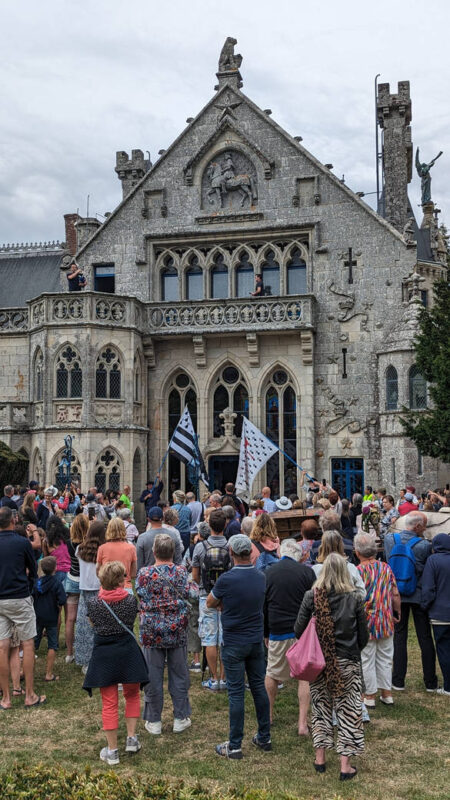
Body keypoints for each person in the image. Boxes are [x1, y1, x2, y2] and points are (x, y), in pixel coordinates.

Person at [295, 553, 369, 780]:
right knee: (348, 711)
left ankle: (320, 759)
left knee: (320, 707)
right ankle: (345, 766)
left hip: (319, 661)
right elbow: (363, 635)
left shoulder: (312, 596)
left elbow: (298, 629)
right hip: (347, 660)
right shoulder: (355, 598)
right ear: (345, 572)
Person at [207, 534, 271, 759]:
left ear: (232, 553)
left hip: (234, 641)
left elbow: (210, 601)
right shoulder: (260, 576)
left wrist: (225, 603)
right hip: (254, 639)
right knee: (258, 687)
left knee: (236, 692)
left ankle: (234, 745)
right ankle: (264, 736)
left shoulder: (226, 579)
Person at [83, 561, 148, 765]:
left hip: (104, 653)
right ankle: (131, 737)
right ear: (120, 580)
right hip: (127, 650)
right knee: (132, 695)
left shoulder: (93, 603)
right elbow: (133, 620)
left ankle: (112, 750)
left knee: (109, 702)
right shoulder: (130, 601)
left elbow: (93, 624)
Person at [136, 534, 197, 735]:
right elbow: (192, 594)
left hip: (152, 631)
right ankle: (180, 717)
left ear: (154, 552)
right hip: (177, 629)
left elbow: (140, 593)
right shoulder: (181, 572)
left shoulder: (144, 573)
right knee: (179, 674)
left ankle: (154, 721)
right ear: (173, 552)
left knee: (152, 675)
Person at [264, 538, 315, 733]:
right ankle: (302, 723)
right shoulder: (307, 573)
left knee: (272, 672)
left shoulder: (269, 573)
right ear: (300, 556)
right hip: (302, 631)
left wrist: (265, 632)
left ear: (280, 553)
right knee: (304, 676)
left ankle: (268, 716)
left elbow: (264, 606)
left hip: (277, 629)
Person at [384, 511, 437, 692]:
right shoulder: (424, 545)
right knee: (425, 637)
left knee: (399, 637)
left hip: (396, 592)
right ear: (417, 527)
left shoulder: (390, 540)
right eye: (424, 526)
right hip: (417, 593)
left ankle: (398, 680)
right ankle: (430, 681)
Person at [0, 507, 45, 708]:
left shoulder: (19, 542)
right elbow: (33, 567)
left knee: (2, 647)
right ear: (13, 521)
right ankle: (29, 695)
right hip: (19, 596)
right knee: (27, 644)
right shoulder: (21, 542)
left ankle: (6, 698)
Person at [354, 532, 401, 707]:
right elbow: (395, 592)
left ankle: (370, 696)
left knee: (366, 658)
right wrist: (397, 612)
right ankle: (386, 693)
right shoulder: (386, 568)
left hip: (365, 620)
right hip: (385, 618)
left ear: (357, 552)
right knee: (386, 656)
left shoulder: (357, 571)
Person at [192, 509, 231, 691]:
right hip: (226, 598)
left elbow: (195, 575)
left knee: (209, 638)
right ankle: (224, 678)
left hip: (206, 596)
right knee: (225, 637)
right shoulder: (230, 546)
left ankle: (213, 678)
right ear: (225, 525)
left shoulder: (201, 547)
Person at [421, 534, 450, 695]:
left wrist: (425, 606)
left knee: (444, 650)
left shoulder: (433, 561)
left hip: (440, 614)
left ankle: (448, 686)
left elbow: (428, 588)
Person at [75, 521, 104, 673]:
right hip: (98, 588)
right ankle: (98, 658)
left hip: (85, 589)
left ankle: (86, 660)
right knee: (100, 625)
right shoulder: (102, 550)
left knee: (85, 626)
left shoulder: (80, 548)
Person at [33, 556, 67, 682]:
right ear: (55, 568)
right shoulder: (56, 583)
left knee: (32, 644)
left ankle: (24, 670)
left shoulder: (37, 582)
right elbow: (63, 600)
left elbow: (31, 595)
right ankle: (48, 674)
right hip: (52, 617)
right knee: (52, 645)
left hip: (37, 616)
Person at [64, 513, 89, 663]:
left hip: (72, 578)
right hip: (85, 580)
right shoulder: (89, 544)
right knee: (86, 619)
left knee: (70, 619)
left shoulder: (69, 543)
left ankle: (69, 653)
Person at [312, 531, 365, 597]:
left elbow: (311, 594)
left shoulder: (315, 570)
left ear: (322, 546)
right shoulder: (350, 568)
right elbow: (362, 593)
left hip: (323, 606)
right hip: (346, 606)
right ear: (341, 546)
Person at [96, 518, 137, 593]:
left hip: (107, 588)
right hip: (125, 587)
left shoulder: (102, 548)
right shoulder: (131, 548)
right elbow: (133, 574)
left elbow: (98, 571)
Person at [137, 507, 183, 571]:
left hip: (149, 577)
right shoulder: (173, 535)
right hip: (170, 576)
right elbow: (178, 561)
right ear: (163, 518)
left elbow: (139, 564)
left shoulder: (142, 538)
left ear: (148, 519)